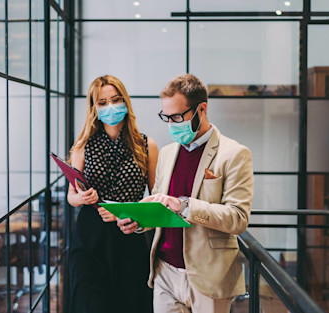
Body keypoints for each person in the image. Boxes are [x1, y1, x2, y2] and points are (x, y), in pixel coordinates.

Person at [118, 74, 254, 313]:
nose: (171, 124)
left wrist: (184, 205)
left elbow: (238, 218)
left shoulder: (234, 154)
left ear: (201, 109)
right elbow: (162, 207)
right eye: (166, 117)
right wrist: (139, 221)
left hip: (210, 276)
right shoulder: (168, 153)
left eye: (178, 117)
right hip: (165, 272)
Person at [65, 75, 159, 313]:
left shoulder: (147, 145)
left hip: (129, 237)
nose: (110, 107)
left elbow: (157, 198)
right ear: (94, 108)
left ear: (126, 102)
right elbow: (71, 197)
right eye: (102, 102)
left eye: (116, 100)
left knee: (130, 304)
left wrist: (133, 215)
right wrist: (82, 198)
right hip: (90, 241)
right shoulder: (82, 146)